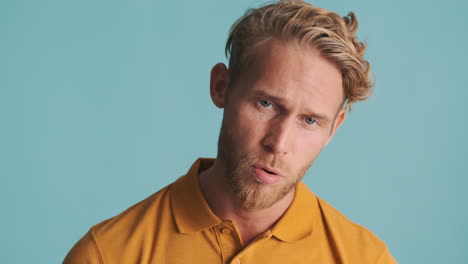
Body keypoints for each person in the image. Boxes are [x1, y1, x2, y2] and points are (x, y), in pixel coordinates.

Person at [63, 0, 397, 263]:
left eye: (310, 120)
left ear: (333, 129)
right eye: (265, 104)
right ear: (221, 87)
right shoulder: (106, 255)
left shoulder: (365, 258)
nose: (278, 144)